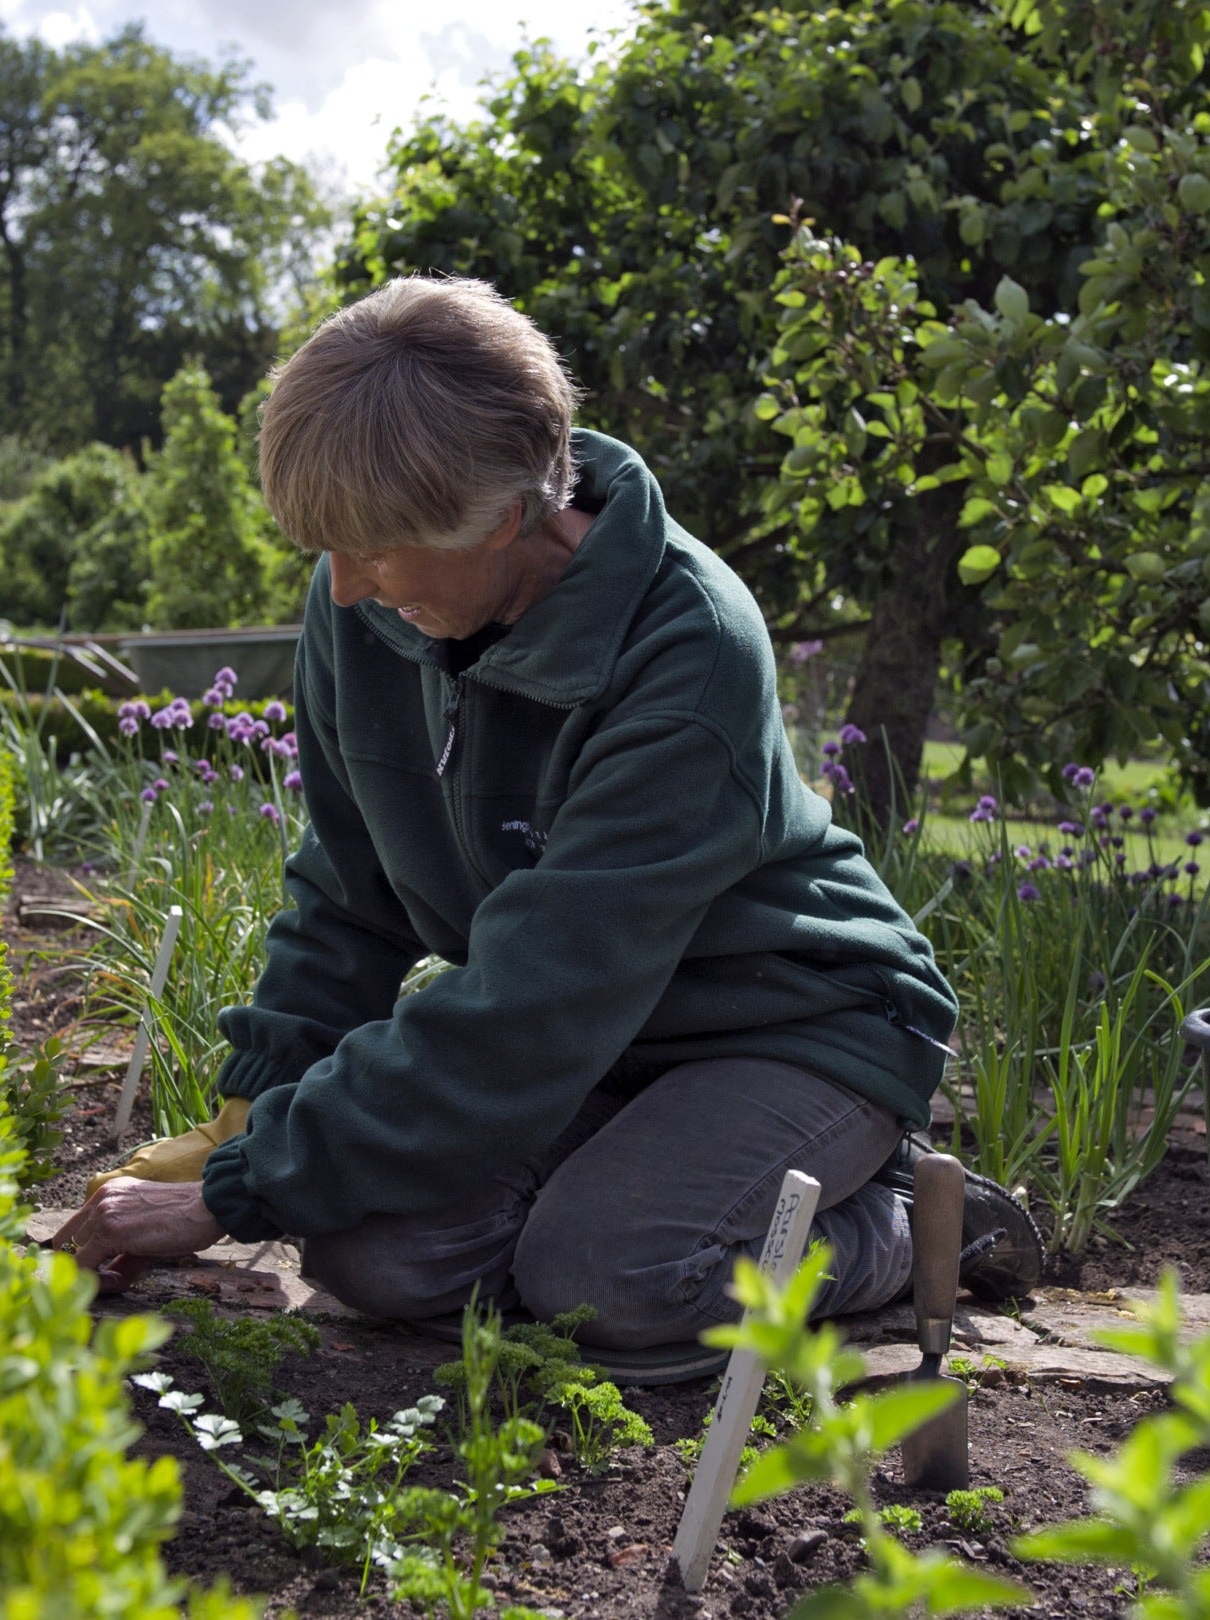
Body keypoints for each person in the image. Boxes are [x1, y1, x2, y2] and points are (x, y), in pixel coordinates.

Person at [53, 278, 1043, 1371]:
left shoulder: (688, 649)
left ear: (508, 520)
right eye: (327, 552)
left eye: (375, 554)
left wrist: (242, 1191)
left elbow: (532, 1007)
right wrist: (244, 1133)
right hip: (593, 1043)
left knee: (609, 1276)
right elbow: (346, 897)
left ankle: (910, 1225)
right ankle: (643, 1191)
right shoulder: (373, 604)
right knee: (369, 1255)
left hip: (795, 1025)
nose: (340, 593)